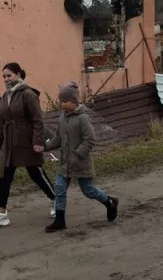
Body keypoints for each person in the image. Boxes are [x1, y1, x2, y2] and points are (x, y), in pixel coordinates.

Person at [0, 62, 56, 229]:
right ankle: (1, 213)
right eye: (4, 76)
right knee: (4, 176)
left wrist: (38, 142)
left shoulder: (28, 94)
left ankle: (56, 199)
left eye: (9, 75)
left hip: (26, 141)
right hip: (9, 143)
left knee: (35, 173)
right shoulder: (5, 97)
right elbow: (1, 123)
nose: (6, 79)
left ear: (18, 75)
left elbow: (37, 120)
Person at [44, 81, 119, 233]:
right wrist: (46, 146)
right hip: (65, 163)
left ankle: (109, 201)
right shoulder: (62, 118)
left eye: (64, 101)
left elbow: (90, 140)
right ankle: (60, 220)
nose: (62, 104)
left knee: (88, 191)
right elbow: (58, 139)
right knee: (59, 188)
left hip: (80, 163)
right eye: (61, 101)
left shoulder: (83, 118)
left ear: (73, 101)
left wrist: (78, 154)